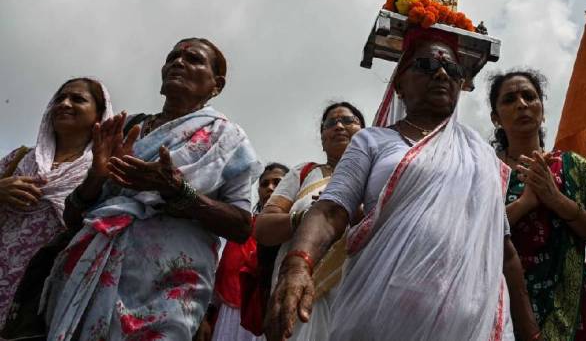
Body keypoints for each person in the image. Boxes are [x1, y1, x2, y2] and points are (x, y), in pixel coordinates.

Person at [265, 28, 539, 341]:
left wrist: (530, 334)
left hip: (466, 326)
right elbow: (331, 211)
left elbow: (503, 252)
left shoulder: (481, 155)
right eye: (425, 65)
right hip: (379, 317)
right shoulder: (372, 141)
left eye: (451, 69)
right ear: (399, 84)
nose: (440, 73)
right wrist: (298, 265)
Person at [41, 38, 262, 340]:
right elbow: (73, 216)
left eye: (193, 59)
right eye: (172, 57)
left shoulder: (228, 138)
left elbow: (240, 226)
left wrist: (178, 191)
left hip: (168, 285)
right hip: (93, 272)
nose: (178, 63)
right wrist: (96, 175)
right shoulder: (127, 127)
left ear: (216, 84)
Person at [489, 69, 586, 341]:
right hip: (504, 310)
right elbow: (472, 236)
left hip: (574, 314)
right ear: (495, 118)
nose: (522, 104)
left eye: (529, 96)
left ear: (542, 110)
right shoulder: (485, 169)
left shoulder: (576, 169)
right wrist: (526, 203)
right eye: (510, 99)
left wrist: (556, 200)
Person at [0, 78, 113, 329]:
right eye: (59, 98)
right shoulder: (19, 159)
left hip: (50, 289)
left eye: (78, 99)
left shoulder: (100, 171)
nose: (64, 104)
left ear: (99, 115)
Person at [254, 102, 365, 340]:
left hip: (356, 291)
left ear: (365, 133)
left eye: (348, 120)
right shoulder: (304, 173)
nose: (339, 126)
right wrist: (306, 217)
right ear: (322, 138)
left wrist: (355, 214)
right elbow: (262, 229)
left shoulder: (376, 175)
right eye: (330, 123)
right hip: (297, 286)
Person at [208, 162, 290, 341]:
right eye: (264, 184)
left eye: (277, 183)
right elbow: (222, 275)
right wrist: (207, 317)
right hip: (230, 317)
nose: (270, 188)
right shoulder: (242, 228)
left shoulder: (299, 228)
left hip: (278, 313)